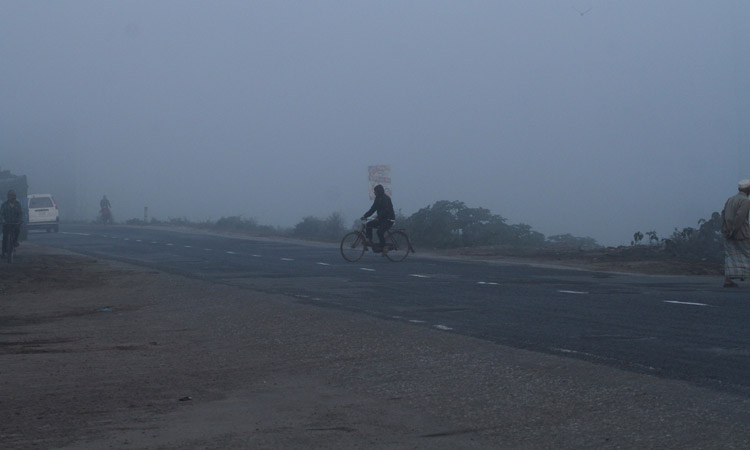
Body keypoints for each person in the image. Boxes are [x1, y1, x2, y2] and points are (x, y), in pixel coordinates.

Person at [721, 179, 750, 287]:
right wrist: (733, 231)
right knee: (747, 254)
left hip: (728, 232)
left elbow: (723, 214)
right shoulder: (745, 201)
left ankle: (728, 280)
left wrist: (725, 229)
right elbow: (740, 218)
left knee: (731, 256)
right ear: (748, 189)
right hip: (740, 233)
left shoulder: (730, 199)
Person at [361, 184, 395, 255]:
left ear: (379, 191)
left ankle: (383, 247)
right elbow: (373, 209)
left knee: (379, 232)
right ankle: (370, 241)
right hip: (381, 219)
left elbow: (386, 210)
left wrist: (378, 217)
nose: (374, 193)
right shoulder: (377, 198)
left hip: (389, 219)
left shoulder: (386, 198)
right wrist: (365, 215)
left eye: (375, 191)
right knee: (368, 224)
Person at [1, 189, 24, 258]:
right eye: (11, 195)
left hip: (15, 223)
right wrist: (2, 220)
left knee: (17, 230)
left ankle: (15, 242)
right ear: (8, 196)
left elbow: (20, 214)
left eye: (14, 195)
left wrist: (20, 220)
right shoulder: (4, 205)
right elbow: (1, 214)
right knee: (5, 237)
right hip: (6, 223)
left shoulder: (18, 204)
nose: (13, 197)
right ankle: (3, 251)